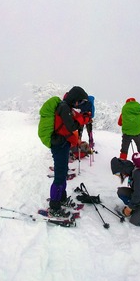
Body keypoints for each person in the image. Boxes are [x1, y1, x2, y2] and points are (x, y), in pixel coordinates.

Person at [49, 86, 91, 216]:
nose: (80, 105)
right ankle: (54, 207)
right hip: (59, 144)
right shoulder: (63, 107)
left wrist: (82, 118)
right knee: (59, 175)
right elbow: (71, 126)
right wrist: (83, 120)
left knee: (63, 172)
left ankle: (61, 198)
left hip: (63, 143)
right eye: (80, 101)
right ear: (75, 99)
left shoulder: (67, 108)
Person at [110, 156, 140, 226]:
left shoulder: (137, 174)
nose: (119, 176)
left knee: (134, 221)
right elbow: (137, 192)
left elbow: (137, 195)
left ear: (122, 169)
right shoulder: (132, 171)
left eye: (118, 174)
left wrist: (129, 208)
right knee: (121, 192)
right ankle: (138, 209)